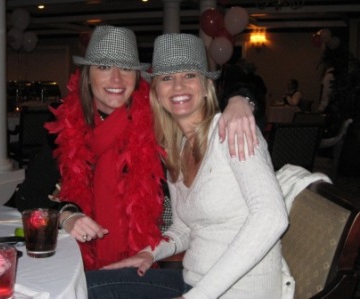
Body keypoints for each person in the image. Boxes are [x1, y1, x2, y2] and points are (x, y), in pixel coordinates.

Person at [85, 33, 289, 299]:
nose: (178, 86)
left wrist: (198, 296)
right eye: (167, 78)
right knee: (87, 286)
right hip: (192, 281)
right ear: (156, 91)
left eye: (189, 75)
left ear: (206, 86)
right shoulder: (177, 148)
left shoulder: (231, 131)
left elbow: (272, 217)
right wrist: (150, 253)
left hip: (240, 291)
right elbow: (183, 228)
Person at [44, 25, 258, 271]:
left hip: (159, 255)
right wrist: (67, 214)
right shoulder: (66, 126)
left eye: (126, 68)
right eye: (103, 67)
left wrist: (241, 100)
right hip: (77, 260)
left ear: (137, 76)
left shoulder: (159, 118)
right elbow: (30, 195)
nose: (116, 78)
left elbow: (200, 92)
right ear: (86, 75)